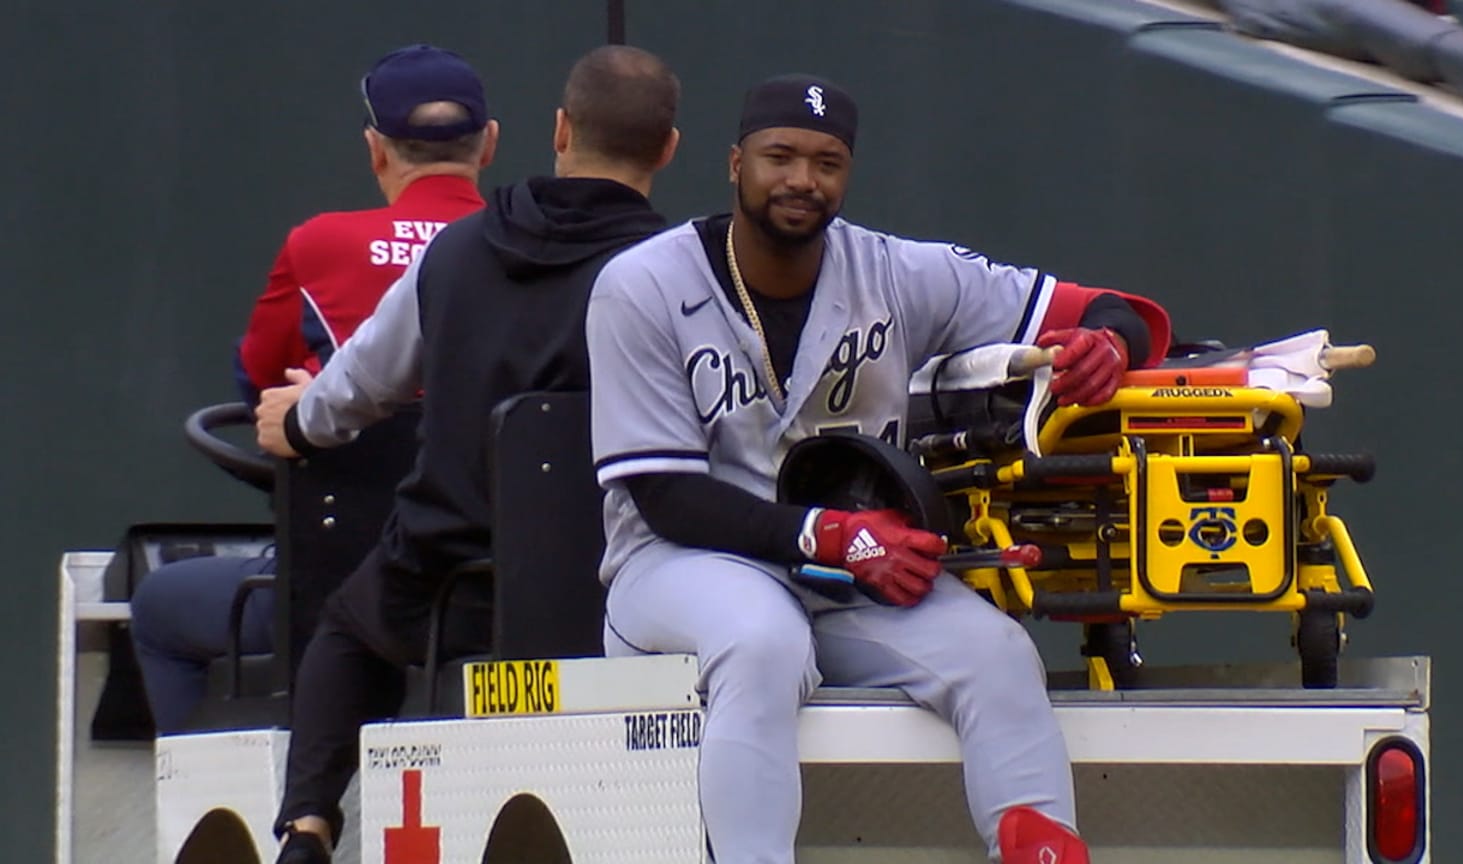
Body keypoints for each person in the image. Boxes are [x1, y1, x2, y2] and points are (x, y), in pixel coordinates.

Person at [585, 74, 1171, 864]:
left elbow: (1108, 308)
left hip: (851, 570)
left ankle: (1037, 844)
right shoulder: (643, 283)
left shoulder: (893, 270)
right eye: (780, 156)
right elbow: (665, 496)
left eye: (826, 162)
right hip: (681, 566)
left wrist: (1111, 346)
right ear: (735, 164)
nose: (802, 180)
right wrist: (829, 537)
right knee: (762, 644)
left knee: (996, 655)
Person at [252, 45, 681, 864]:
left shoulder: (451, 256)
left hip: (443, 583)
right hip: (611, 589)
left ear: (558, 130)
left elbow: (354, 389)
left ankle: (307, 824)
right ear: (668, 148)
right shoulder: (679, 273)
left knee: (345, 628)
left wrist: (298, 425)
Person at [129, 43, 496, 735]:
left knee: (155, 607)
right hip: (497, 596)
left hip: (340, 591)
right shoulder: (523, 248)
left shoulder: (318, 245)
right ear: (491, 144)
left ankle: (209, 816)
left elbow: (265, 394)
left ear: (375, 149)